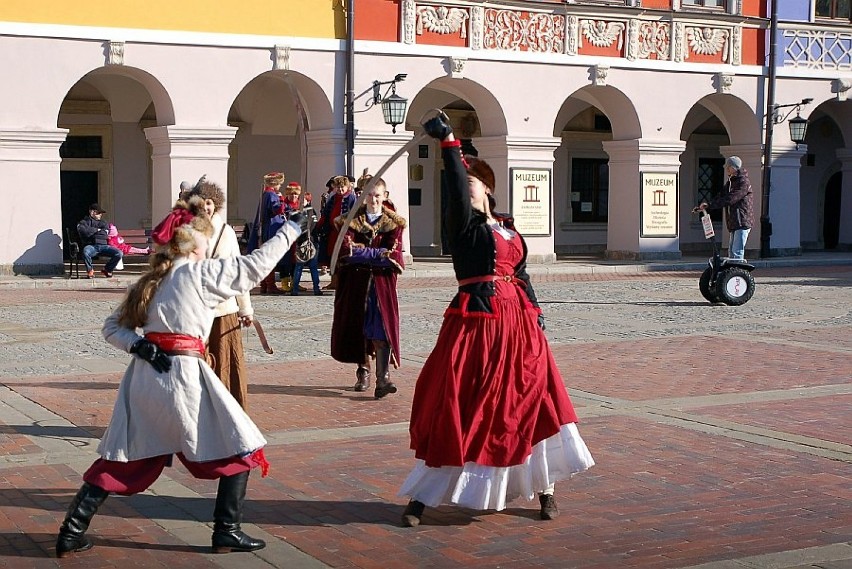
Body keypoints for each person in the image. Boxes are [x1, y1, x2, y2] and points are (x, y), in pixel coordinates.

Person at [54, 195, 304, 558]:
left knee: (124, 457)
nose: (210, 244)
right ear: (195, 242)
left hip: (145, 378)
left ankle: (71, 530)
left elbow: (112, 328)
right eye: (207, 237)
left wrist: (138, 346)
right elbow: (254, 267)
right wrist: (292, 229)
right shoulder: (197, 273)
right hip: (183, 377)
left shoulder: (151, 279)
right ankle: (226, 530)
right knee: (241, 445)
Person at [398, 115, 594, 527]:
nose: (464, 186)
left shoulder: (506, 227)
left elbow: (522, 275)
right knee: (462, 402)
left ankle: (546, 489)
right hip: (477, 323)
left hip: (519, 324)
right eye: (462, 181)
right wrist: (448, 143)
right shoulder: (463, 227)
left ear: (486, 187)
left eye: (472, 181)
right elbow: (454, 184)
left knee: (533, 399)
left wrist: (536, 312)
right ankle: (422, 497)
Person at [330, 179, 405, 398]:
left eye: (377, 195)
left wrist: (366, 253)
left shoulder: (394, 224)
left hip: (382, 286)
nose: (373, 199)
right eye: (369, 195)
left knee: (381, 329)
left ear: (385, 195)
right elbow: (346, 252)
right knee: (358, 328)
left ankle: (383, 379)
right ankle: (363, 372)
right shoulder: (349, 222)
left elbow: (395, 257)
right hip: (356, 285)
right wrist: (377, 253)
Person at [196, 181, 255, 409]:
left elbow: (239, 273)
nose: (206, 207)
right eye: (201, 203)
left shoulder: (226, 232)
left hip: (223, 310)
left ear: (215, 204)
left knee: (225, 363)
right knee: (197, 365)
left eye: (209, 203)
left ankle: (228, 413)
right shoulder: (188, 232)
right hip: (196, 311)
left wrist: (245, 308)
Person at [697, 155, 754, 260]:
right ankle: (732, 273)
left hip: (742, 221)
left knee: (737, 252)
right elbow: (721, 195)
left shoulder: (743, 182)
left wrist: (712, 205)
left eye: (728, 167)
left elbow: (730, 198)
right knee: (731, 252)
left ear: (733, 167)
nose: (726, 169)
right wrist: (708, 204)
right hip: (734, 221)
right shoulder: (731, 182)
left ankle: (738, 273)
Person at [247, 172, 288, 294]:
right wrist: (282, 200)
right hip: (270, 229)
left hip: (265, 228)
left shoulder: (265, 194)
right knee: (270, 257)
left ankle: (265, 284)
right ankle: (270, 285)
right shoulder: (272, 195)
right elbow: (277, 210)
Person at [316, 175, 357, 289]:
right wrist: (320, 225)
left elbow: (354, 215)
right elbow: (325, 213)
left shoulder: (351, 198)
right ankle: (334, 282)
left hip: (344, 233)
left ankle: (344, 283)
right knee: (332, 258)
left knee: (343, 258)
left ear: (347, 186)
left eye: (342, 187)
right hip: (332, 232)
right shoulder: (333, 198)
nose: (340, 189)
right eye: (338, 187)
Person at [287, 182, 323, 296]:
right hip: (310, 241)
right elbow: (315, 226)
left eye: (304, 200)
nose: (302, 202)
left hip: (305, 241)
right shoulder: (310, 212)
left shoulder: (301, 212)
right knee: (309, 267)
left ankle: (296, 289)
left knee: (302, 267)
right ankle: (315, 289)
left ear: (308, 201)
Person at [76, 203, 123, 279]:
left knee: (119, 253)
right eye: (98, 213)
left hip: (104, 246)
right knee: (85, 252)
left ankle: (107, 270)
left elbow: (105, 233)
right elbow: (83, 231)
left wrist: (92, 232)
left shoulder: (103, 222)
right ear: (92, 212)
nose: (100, 215)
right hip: (91, 246)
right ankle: (90, 270)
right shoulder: (84, 222)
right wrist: (97, 230)